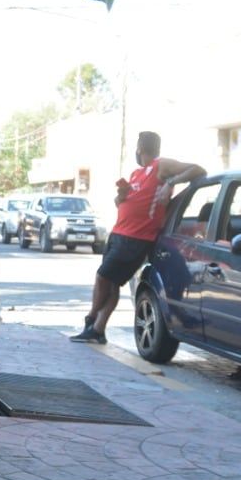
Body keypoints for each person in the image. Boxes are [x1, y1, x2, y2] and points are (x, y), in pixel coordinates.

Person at [71, 131, 205, 344]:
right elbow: (126, 202)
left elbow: (197, 169)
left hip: (135, 239)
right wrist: (121, 197)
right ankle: (97, 330)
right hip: (118, 234)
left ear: (140, 148)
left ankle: (91, 317)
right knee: (112, 285)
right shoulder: (136, 174)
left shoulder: (161, 166)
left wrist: (170, 183)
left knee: (102, 277)